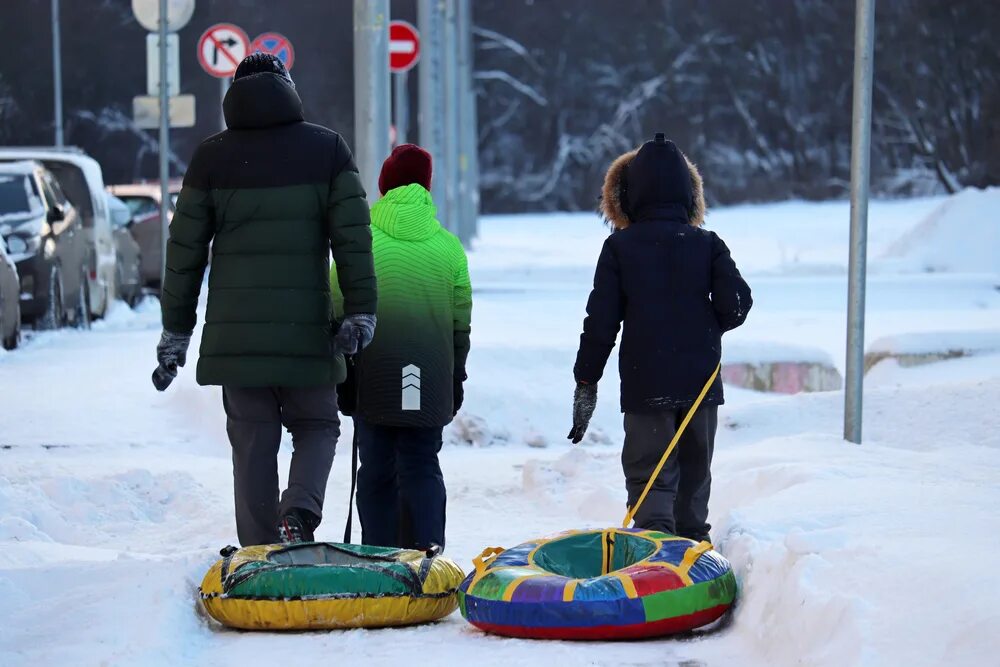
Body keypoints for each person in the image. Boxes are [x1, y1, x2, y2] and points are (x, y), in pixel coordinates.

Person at [152, 53, 377, 547]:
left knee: (253, 444)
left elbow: (184, 251)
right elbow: (354, 239)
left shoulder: (211, 157)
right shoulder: (327, 150)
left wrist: (176, 329)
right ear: (288, 88)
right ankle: (297, 512)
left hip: (237, 335)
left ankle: (258, 558)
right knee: (317, 424)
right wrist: (360, 310)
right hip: (308, 332)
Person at [568, 133, 752, 544]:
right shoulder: (707, 244)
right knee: (693, 477)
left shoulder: (619, 247)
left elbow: (600, 322)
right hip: (700, 382)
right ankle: (694, 566)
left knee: (651, 480)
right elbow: (738, 303)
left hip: (645, 380)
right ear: (690, 194)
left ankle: (656, 568)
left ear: (627, 195)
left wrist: (586, 379)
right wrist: (703, 329)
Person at [332, 144, 472, 551]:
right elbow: (459, 323)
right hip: (425, 376)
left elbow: (336, 307)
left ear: (383, 187)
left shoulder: (362, 245)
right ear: (427, 188)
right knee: (421, 465)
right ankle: (427, 556)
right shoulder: (449, 249)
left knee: (375, 470)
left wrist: (343, 374)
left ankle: (380, 559)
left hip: (374, 376)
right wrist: (455, 376)